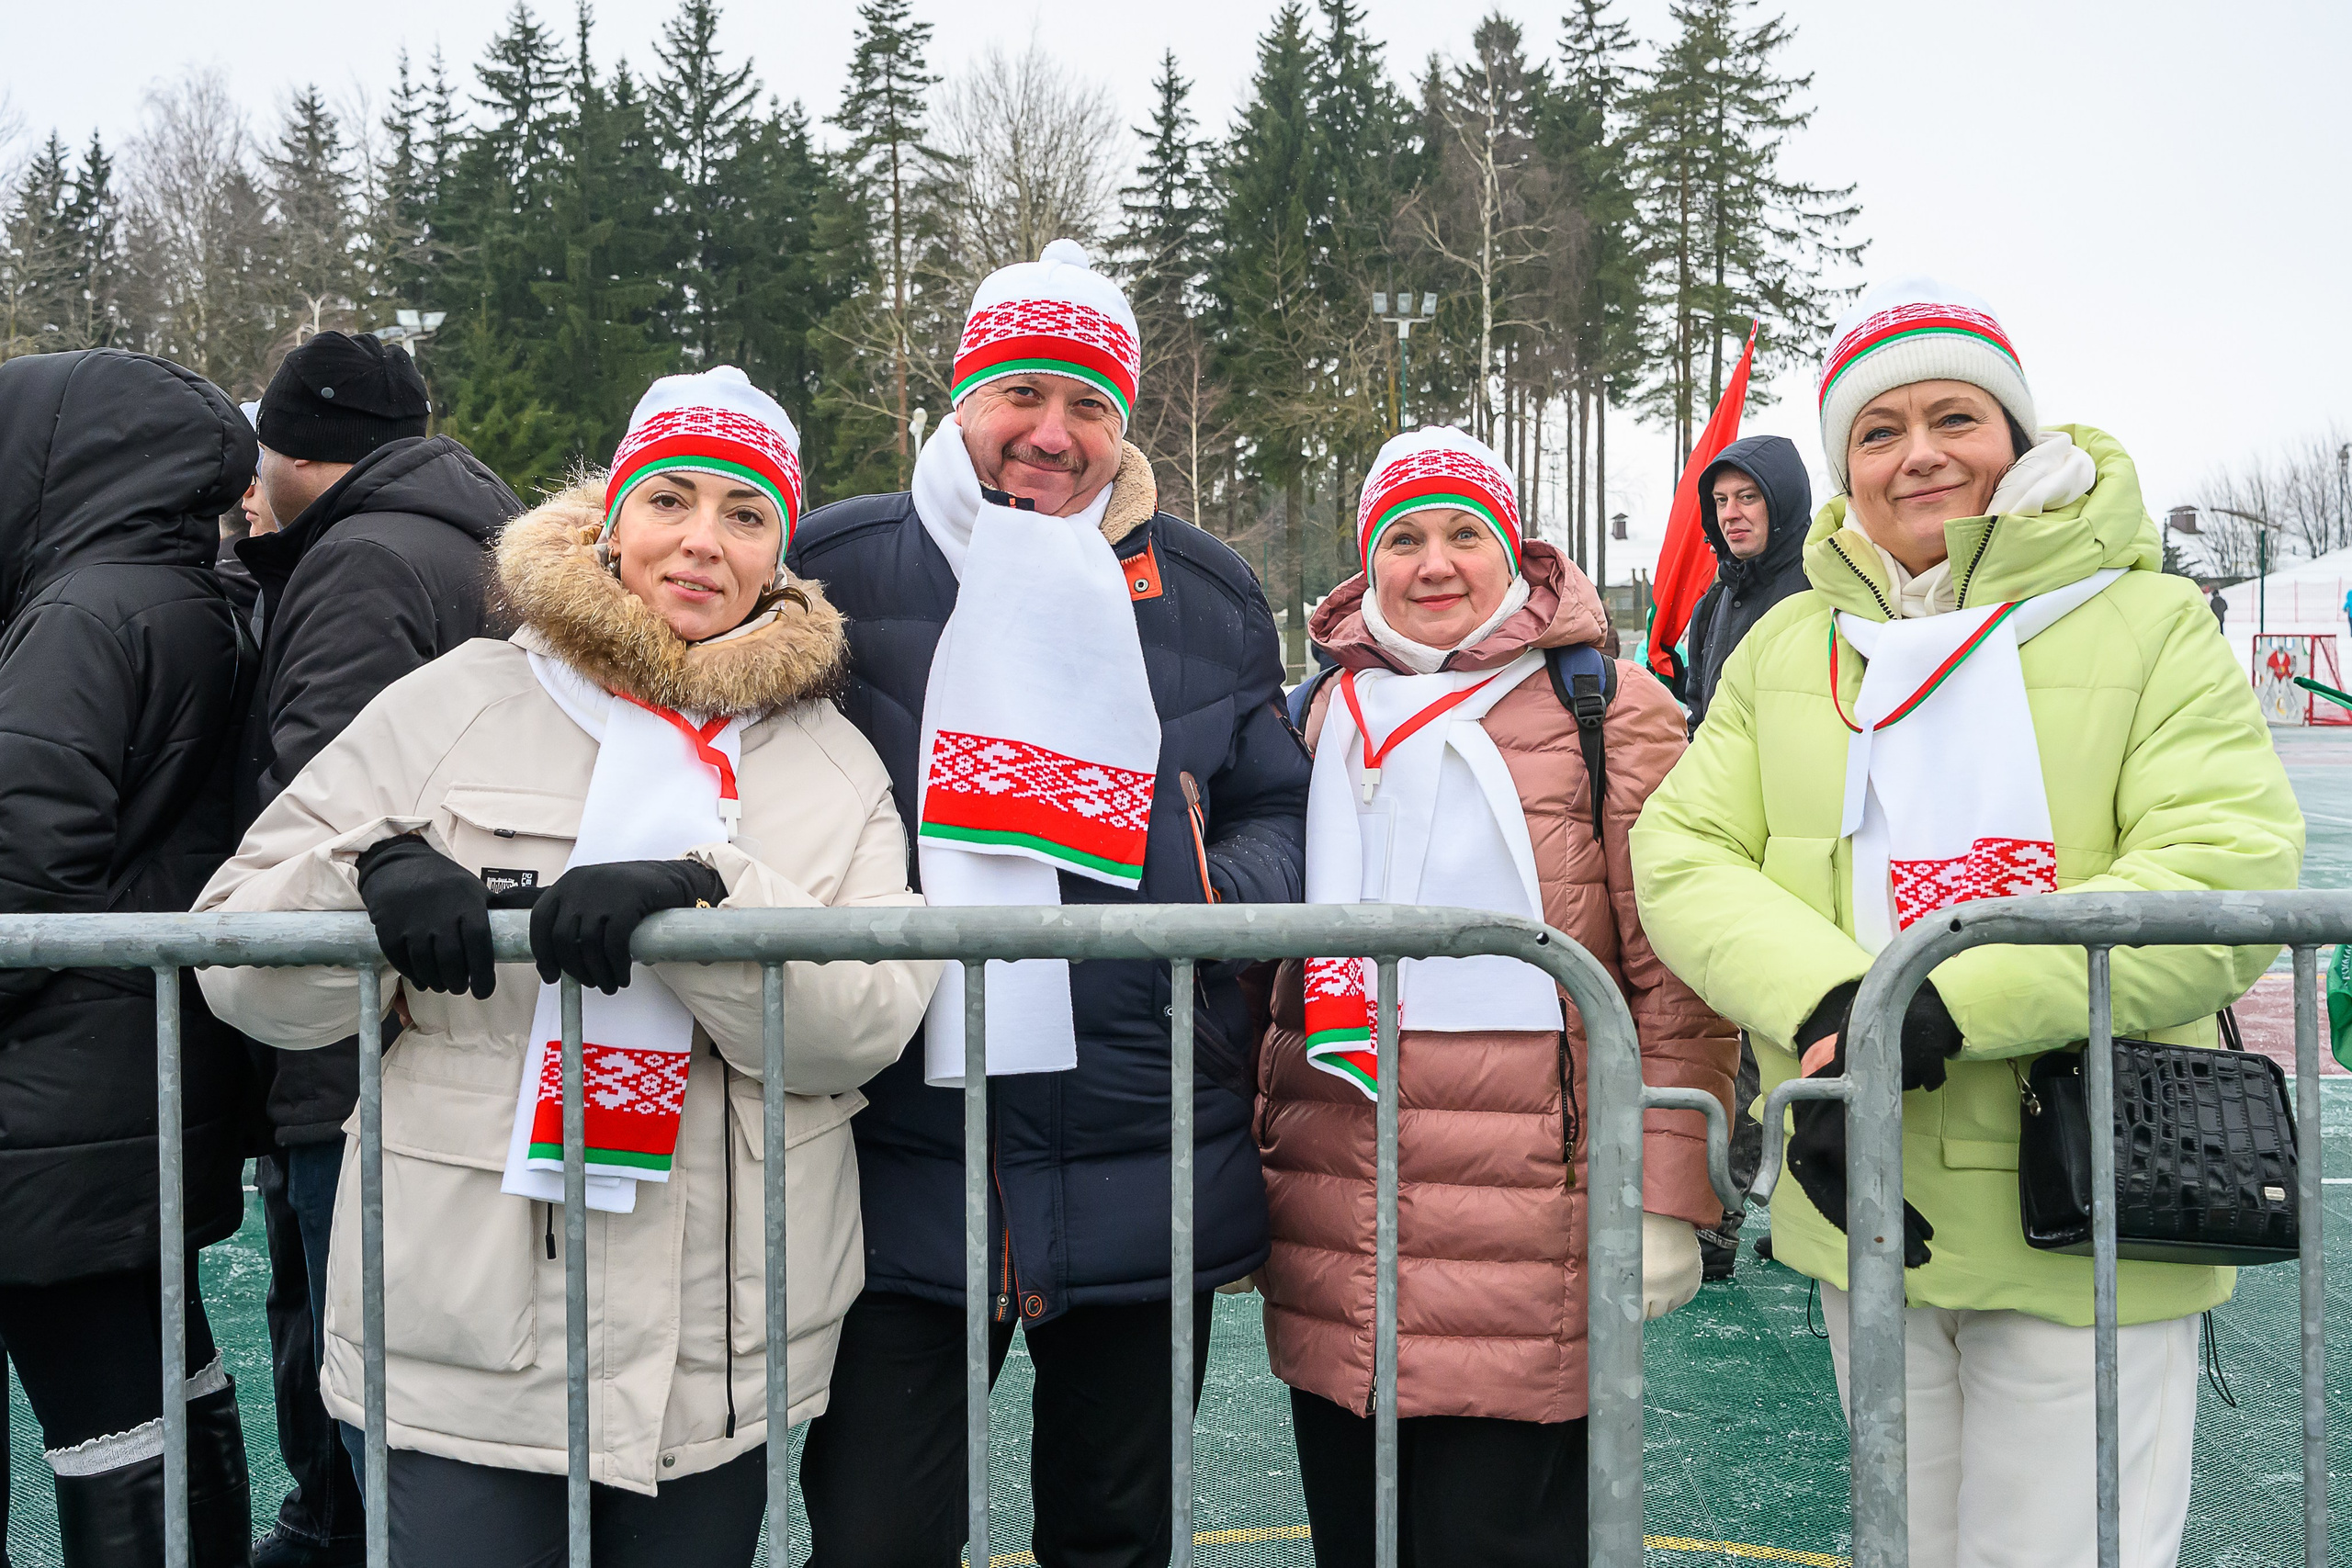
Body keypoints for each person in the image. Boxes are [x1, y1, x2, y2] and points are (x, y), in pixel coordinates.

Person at [196, 367, 940, 1567]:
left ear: (779, 552)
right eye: (672, 500)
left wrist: (713, 898)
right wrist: (365, 880)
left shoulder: (829, 761)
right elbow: (240, 959)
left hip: (715, 1353)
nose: (703, 541)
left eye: (746, 514)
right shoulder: (456, 704)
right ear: (613, 517)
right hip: (467, 1330)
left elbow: (868, 1020)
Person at [1631, 278, 2303, 1568]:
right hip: (1867, 1198)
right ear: (1844, 466)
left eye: (1956, 416)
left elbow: (2224, 865)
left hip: (2089, 1200)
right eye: (1877, 431)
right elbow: (1684, 847)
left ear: (2019, 436)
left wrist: (1951, 996)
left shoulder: (2148, 621)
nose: (1918, 452)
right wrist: (1842, 1010)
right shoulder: (1792, 646)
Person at [789, 240, 1310, 1568]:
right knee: (877, 1535)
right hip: (901, 1147)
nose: (1052, 433)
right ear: (962, 397)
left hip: (1139, 1141)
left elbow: (1279, 808)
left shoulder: (1201, 590)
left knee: (1115, 1534)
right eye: (1023, 391)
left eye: (1089, 404)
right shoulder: (837, 567)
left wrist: (1184, 901)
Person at [1255, 429, 1736, 1568]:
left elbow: (1672, 975)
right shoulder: (1314, 713)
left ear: (1512, 549)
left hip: (1531, 1218)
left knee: (1500, 1540)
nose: (1434, 563)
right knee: (1357, 1541)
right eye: (1403, 539)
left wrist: (1668, 1192)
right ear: (1365, 565)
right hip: (1336, 1206)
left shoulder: (1606, 706)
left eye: (1464, 533)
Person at [229, 331, 521, 1567]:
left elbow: (327, 799)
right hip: (459, 1034)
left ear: (300, 451)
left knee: (347, 1370)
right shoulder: (480, 538)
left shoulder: (358, 563)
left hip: (356, 1048)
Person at [0, 349, 260, 1565]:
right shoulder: (198, 594)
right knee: (166, 1375)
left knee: (103, 1404)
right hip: (137, 1066)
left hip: (55, 1089)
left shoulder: (84, 613)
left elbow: (20, 857)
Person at [1676, 434, 1813, 1280]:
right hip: (1730, 843)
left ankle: (1736, 1214)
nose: (1732, 517)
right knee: (1733, 1034)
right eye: (1721, 503)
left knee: (1778, 1038)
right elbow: (1699, 713)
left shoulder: (1814, 595)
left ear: (1784, 502)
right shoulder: (1714, 601)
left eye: (1748, 500)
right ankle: (1734, 1204)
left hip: (1795, 850)